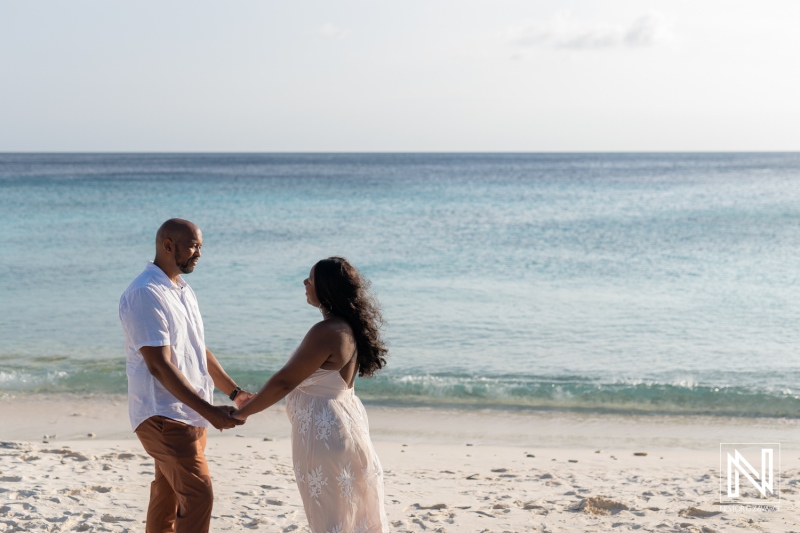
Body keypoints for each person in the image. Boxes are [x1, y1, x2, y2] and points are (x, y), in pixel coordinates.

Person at [233, 256, 389, 533]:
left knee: (330, 522)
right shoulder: (346, 327)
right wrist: (253, 400)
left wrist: (240, 413)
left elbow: (284, 382)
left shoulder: (327, 331)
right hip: (345, 427)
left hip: (324, 437)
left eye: (311, 279)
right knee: (351, 519)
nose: (305, 283)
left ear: (326, 288)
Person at [119, 218, 253, 533]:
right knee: (198, 495)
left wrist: (234, 393)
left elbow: (198, 351)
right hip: (164, 415)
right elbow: (159, 365)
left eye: (200, 247)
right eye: (193, 246)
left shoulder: (181, 289)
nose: (199, 254)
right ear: (168, 245)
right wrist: (209, 411)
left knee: (168, 494)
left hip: (189, 413)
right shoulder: (145, 293)